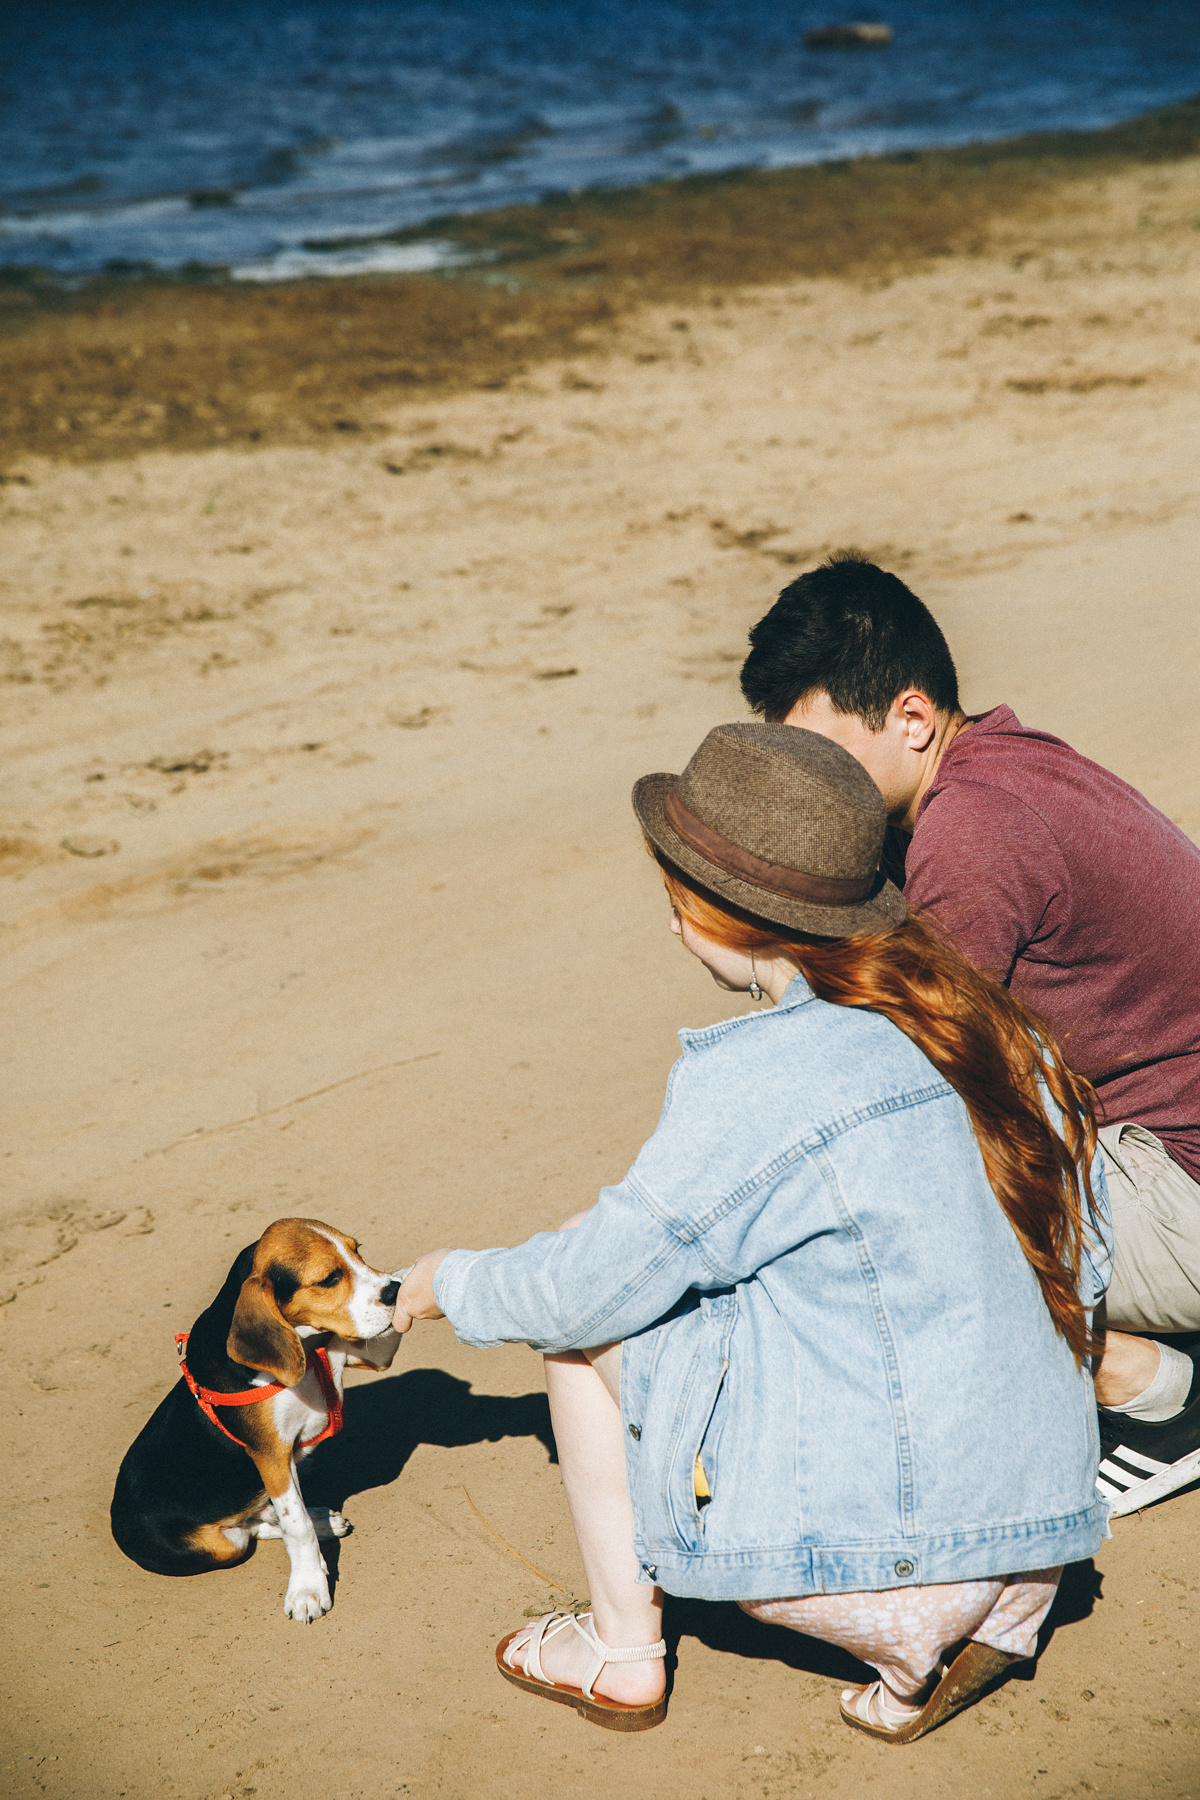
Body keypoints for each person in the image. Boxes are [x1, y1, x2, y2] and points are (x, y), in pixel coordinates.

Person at [393, 724, 1109, 1743]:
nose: (671, 926)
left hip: (888, 1564)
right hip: (1040, 1533)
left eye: (678, 903)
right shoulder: (983, 1017)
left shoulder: (768, 1077)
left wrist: (443, 1283)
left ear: (726, 915)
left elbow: (585, 1288)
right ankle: (977, 1618)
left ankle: (620, 1652)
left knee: (585, 1320)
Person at [740, 555, 1200, 1517]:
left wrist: (757, 966)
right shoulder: (1002, 760)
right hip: (1158, 1151)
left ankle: (1155, 1397)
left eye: (821, 755)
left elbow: (880, 1078)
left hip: (1180, 1191)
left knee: (869, 1201)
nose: (807, 785)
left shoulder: (974, 830)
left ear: (912, 717)